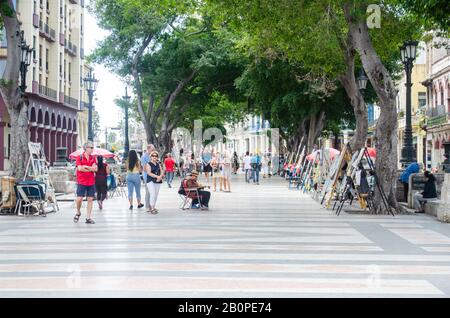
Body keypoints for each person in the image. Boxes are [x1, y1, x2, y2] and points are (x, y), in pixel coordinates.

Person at [74, 142, 98, 224]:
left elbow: (96, 169)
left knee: (90, 199)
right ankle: (78, 212)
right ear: (86, 148)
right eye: (90, 147)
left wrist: (87, 167)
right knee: (79, 199)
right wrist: (91, 168)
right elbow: (80, 169)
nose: (92, 149)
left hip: (91, 181)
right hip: (81, 181)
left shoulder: (93, 158)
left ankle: (88, 218)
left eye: (92, 148)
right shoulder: (79, 157)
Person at [141, 144, 156, 211]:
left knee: (152, 191)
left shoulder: (152, 156)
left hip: (152, 175)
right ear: (148, 149)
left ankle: (151, 206)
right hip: (147, 176)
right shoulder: (144, 157)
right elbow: (144, 168)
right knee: (148, 191)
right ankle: (147, 206)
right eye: (152, 150)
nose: (153, 151)